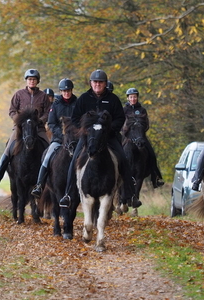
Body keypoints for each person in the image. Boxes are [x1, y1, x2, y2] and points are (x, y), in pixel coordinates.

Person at [58, 69, 141, 209]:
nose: (97, 84)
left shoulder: (113, 99)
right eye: (95, 82)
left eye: (100, 82)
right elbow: (75, 118)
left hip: (109, 137)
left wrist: (109, 129)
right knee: (74, 160)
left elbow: (120, 118)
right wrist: (86, 130)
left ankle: (130, 195)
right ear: (91, 83)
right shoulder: (84, 99)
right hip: (88, 139)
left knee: (123, 159)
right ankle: (68, 194)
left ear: (105, 83)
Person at [0, 69, 50, 187]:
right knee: (9, 148)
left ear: (37, 81)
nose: (32, 81)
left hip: (38, 129)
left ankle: (49, 178)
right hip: (20, 128)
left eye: (34, 79)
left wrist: (39, 121)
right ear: (26, 81)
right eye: (30, 79)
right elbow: (12, 110)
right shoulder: (19, 94)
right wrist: (20, 121)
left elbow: (48, 112)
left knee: (49, 148)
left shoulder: (43, 96)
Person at [31, 79, 77, 198]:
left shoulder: (78, 104)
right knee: (47, 158)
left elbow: (80, 122)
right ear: (61, 91)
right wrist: (62, 136)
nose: (66, 93)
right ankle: (39, 185)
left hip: (74, 140)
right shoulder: (55, 105)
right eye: (64, 91)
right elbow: (51, 123)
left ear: (71, 91)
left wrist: (73, 135)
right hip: (59, 139)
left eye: (68, 91)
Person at [122, 88, 165, 188]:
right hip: (127, 136)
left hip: (140, 136)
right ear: (128, 98)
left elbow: (146, 124)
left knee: (151, 153)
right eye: (131, 97)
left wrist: (140, 131)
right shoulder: (124, 110)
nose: (133, 99)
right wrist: (126, 130)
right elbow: (121, 123)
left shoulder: (142, 110)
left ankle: (155, 178)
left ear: (137, 97)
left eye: (135, 97)